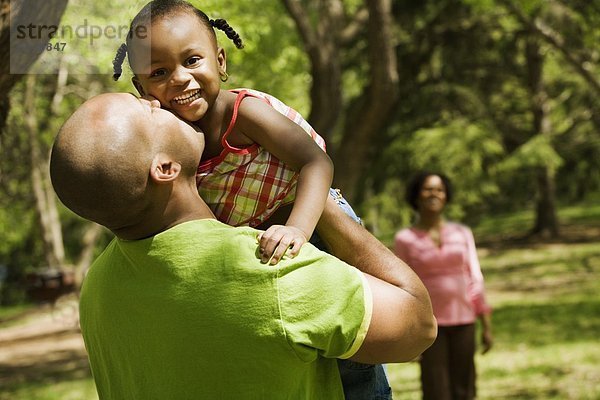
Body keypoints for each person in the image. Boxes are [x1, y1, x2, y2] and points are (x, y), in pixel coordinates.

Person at [49, 93, 437, 400]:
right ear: (164, 168)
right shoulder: (263, 265)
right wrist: (314, 204)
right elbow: (418, 324)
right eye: (146, 109)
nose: (155, 99)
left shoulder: (98, 289)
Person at [112, 1, 391, 397]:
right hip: (261, 242)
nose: (179, 79)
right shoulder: (165, 141)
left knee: (355, 360)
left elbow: (316, 163)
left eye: (192, 60)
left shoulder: (242, 114)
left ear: (220, 62)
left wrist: (298, 226)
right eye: (159, 73)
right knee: (301, 351)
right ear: (142, 89)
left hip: (315, 224)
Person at [394, 172, 493, 400]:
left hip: (464, 320)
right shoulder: (405, 239)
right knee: (436, 389)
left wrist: (485, 323)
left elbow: (474, 277)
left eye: (439, 189)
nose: (434, 194)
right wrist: (407, 332)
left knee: (465, 389)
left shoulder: (462, 233)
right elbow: (401, 286)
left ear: (446, 196)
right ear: (416, 196)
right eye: (428, 189)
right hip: (430, 326)